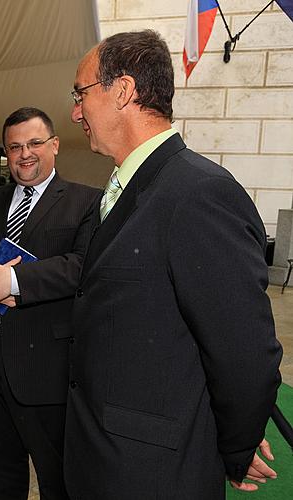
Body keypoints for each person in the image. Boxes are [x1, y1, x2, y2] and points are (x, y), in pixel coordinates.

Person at [66, 30, 283, 499]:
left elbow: (244, 350)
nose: (75, 111)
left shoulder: (199, 193)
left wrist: (237, 445)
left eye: (80, 94)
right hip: (104, 458)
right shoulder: (132, 185)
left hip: (151, 474)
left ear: (122, 90)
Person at [0, 107, 99, 499]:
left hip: (45, 364)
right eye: (14, 147)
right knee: (1, 472)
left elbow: (83, 264)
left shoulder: (86, 202)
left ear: (55, 145)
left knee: (56, 477)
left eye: (34, 143)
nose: (24, 154)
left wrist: (13, 280)